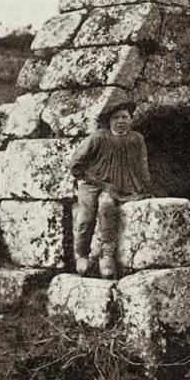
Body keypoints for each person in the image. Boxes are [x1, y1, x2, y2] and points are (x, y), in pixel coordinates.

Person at [68, 93, 152, 279]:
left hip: (117, 187)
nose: (121, 121)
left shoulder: (136, 139)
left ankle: (107, 256)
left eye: (125, 117)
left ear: (130, 119)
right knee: (86, 217)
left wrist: (146, 189)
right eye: (116, 117)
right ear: (109, 120)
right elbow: (77, 160)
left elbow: (142, 166)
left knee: (107, 207)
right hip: (91, 184)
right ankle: (81, 255)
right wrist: (83, 175)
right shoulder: (99, 137)